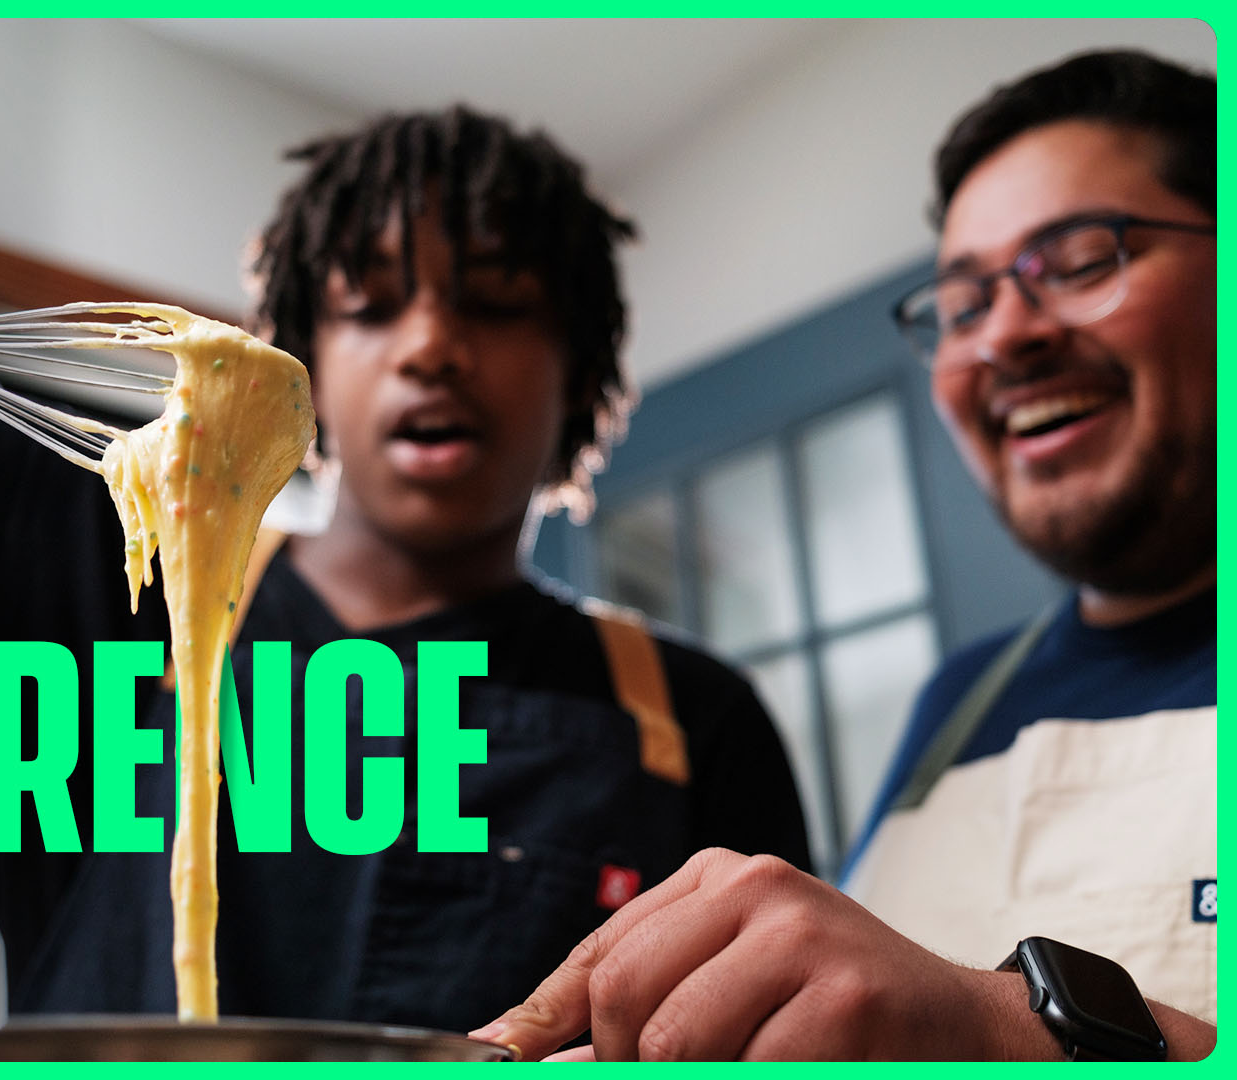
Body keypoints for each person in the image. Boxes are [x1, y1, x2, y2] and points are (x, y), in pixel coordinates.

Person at [0, 104, 812, 1033]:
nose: (430, 349)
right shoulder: (115, 584)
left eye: (494, 304)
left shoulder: (696, 723)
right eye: (369, 306)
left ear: (577, 367)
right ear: (305, 365)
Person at [475, 50, 1215, 1060]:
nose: (1004, 336)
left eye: (1083, 260)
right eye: (963, 303)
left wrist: (1007, 1034)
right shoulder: (957, 705)